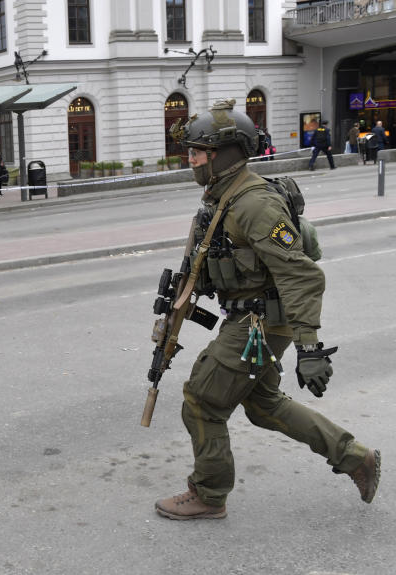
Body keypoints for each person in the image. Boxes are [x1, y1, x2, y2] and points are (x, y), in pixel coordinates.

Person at [155, 99, 380, 521]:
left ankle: (209, 494)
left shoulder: (254, 204)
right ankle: (355, 457)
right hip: (249, 318)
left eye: (197, 153)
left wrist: (309, 349)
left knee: (201, 402)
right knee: (263, 406)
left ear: (223, 156)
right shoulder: (223, 198)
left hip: (258, 323)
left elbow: (302, 276)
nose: (191, 160)